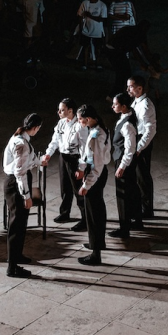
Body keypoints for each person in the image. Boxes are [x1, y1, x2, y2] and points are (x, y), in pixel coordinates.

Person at [2, 112, 43, 278]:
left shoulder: (23, 139)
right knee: (15, 226)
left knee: (21, 224)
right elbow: (20, 172)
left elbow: (26, 162)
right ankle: (12, 267)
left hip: (18, 182)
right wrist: (26, 196)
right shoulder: (21, 143)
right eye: (39, 128)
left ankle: (17, 256)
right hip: (16, 185)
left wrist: (39, 162)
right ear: (34, 128)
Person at [74, 104, 110, 265]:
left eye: (80, 119)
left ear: (88, 119)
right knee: (94, 212)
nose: (79, 122)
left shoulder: (96, 135)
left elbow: (97, 166)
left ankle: (96, 254)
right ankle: (94, 243)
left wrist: (86, 185)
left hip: (95, 176)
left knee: (94, 214)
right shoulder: (100, 128)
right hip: (95, 173)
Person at [41, 98, 84, 227]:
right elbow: (55, 140)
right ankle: (65, 212)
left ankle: (85, 218)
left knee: (78, 189)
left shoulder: (79, 126)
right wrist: (48, 154)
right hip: (63, 157)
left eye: (62, 110)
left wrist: (81, 167)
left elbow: (84, 148)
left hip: (75, 159)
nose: (58, 112)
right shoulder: (61, 123)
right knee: (65, 186)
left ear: (70, 111)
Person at [109, 92, 142, 238]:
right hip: (124, 160)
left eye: (115, 104)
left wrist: (122, 166)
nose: (112, 106)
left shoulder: (127, 124)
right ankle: (137, 220)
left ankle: (124, 228)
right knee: (132, 190)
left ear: (123, 106)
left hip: (124, 161)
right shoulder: (127, 116)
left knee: (123, 194)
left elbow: (130, 148)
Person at [127, 75, 158, 219]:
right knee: (138, 176)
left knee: (143, 177)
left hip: (142, 143)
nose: (128, 89)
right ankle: (140, 205)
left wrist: (139, 148)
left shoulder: (146, 105)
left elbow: (150, 130)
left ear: (140, 88)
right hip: (136, 141)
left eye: (131, 86)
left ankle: (147, 209)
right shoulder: (136, 102)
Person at [75, 0, 108, 70]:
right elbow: (80, 16)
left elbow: (102, 19)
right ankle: (85, 64)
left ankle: (97, 64)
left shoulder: (102, 5)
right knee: (85, 47)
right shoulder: (85, 3)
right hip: (86, 29)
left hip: (97, 30)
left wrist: (89, 15)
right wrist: (81, 27)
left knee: (98, 48)